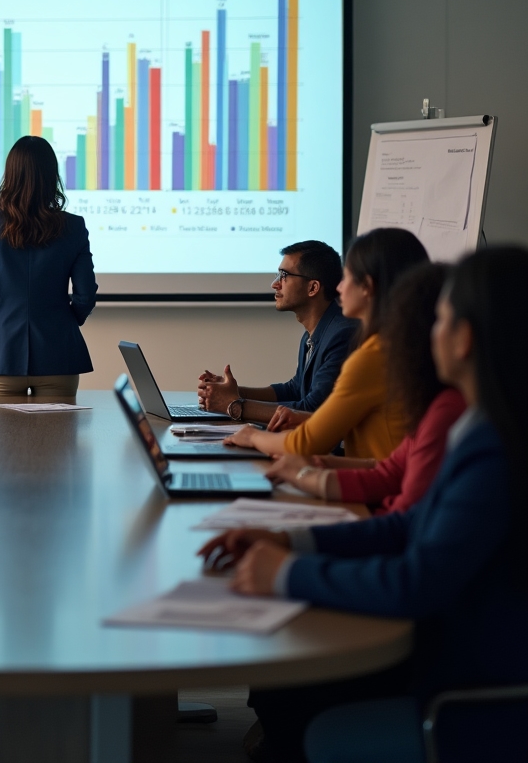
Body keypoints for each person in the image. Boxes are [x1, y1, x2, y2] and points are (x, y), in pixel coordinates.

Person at [198, 245, 528, 763]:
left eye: (440, 319)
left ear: (464, 339)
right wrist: (290, 541)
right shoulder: (479, 424)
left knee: (295, 686)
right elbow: (406, 526)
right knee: (289, 678)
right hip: (445, 651)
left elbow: (415, 580)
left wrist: (286, 572)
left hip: (459, 693)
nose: (426, 332)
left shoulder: (492, 448)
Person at [265, 262, 466, 513]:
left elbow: (404, 519)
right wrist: (314, 467)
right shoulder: (443, 404)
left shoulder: (378, 356)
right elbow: (389, 470)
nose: (338, 287)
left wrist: (247, 426)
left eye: (442, 321)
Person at [224, 228, 428, 460]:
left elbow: (309, 439)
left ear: (367, 287)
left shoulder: (368, 354)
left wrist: (249, 431)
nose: (339, 288)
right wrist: (236, 395)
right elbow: (329, 412)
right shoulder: (395, 345)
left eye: (347, 277)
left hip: (380, 482)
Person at [0, 136, 97, 398]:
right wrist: (65, 322)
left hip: (1, 356)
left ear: (10, 175)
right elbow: (86, 295)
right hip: (59, 355)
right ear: (51, 176)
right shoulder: (74, 226)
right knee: (59, 427)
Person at [198, 240, 359, 424]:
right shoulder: (314, 332)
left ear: (313, 288)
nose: (275, 284)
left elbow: (313, 411)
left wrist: (233, 405)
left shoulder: (342, 335)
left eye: (284, 275)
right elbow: (295, 390)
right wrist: (232, 393)